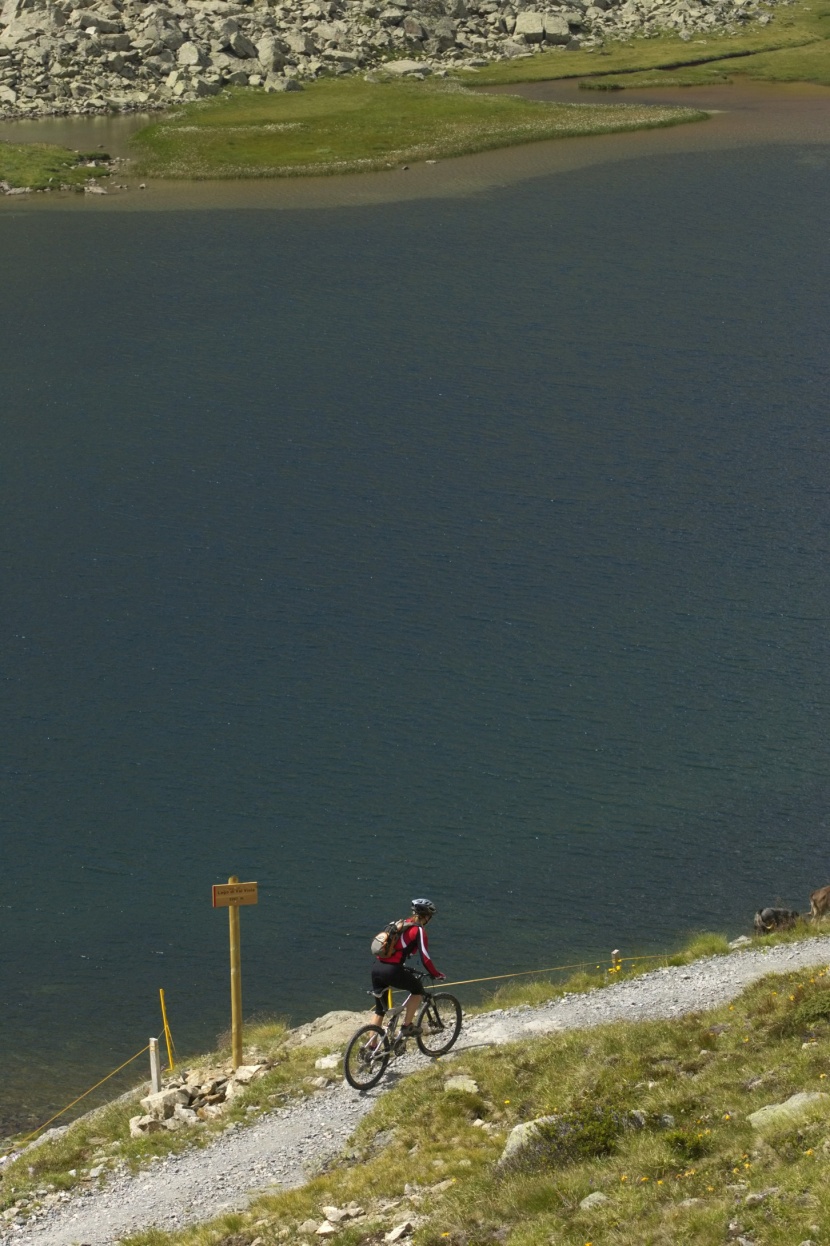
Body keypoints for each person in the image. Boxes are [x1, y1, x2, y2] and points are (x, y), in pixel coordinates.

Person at [371, 897, 445, 1036]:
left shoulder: (400, 924)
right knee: (417, 990)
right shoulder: (418, 930)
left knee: (379, 1011)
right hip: (391, 970)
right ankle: (407, 1026)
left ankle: (371, 1049)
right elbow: (425, 958)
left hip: (377, 968)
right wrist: (436, 973)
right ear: (427, 916)